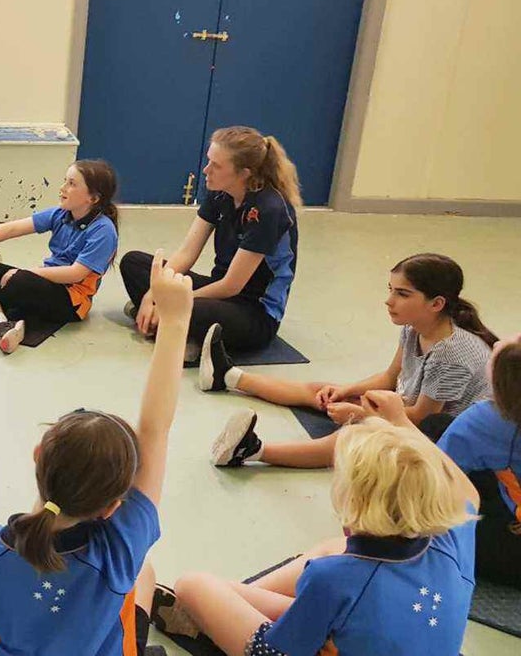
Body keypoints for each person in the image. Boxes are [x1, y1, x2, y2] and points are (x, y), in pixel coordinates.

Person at [0, 252, 193, 655]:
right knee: (144, 573)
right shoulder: (122, 546)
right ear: (111, 507)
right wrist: (175, 323)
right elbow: (155, 430)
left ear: (37, 456)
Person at [161, 393, 479, 656]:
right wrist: (401, 423)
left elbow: (283, 649)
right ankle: (228, 606)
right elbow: (467, 492)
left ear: (351, 500)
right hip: (396, 628)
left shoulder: (332, 578)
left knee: (192, 585)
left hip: (304, 637)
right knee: (333, 550)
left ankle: (210, 621)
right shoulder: (449, 539)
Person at [210, 253, 496, 470]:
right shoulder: (414, 328)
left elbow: (422, 419)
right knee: (323, 390)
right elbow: (389, 378)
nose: (389, 300)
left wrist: (362, 415)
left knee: (353, 436)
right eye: (391, 289)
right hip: (406, 408)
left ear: (437, 304)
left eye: (402, 294)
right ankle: (229, 376)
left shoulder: (451, 356)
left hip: (438, 437)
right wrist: (346, 391)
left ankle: (252, 451)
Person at [120, 126, 301, 361]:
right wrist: (154, 292)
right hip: (219, 293)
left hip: (253, 312)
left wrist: (170, 301)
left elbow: (232, 286)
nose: (206, 170)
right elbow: (186, 253)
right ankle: (173, 325)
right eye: (208, 161)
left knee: (189, 308)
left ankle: (176, 327)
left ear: (244, 173)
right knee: (135, 263)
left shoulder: (268, 210)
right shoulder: (219, 192)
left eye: (216, 166)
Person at [0, 160, 120, 354]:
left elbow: (75, 274)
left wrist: (25, 273)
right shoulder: (61, 214)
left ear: (93, 198)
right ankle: (0, 324)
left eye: (72, 184)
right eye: (65, 181)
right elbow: (12, 228)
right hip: (44, 282)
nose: (62, 188)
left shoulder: (103, 230)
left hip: (71, 301)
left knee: (20, 280)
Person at [438, 333, 521, 588]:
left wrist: (396, 422)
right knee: (437, 424)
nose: (495, 343)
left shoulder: (484, 420)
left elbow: (434, 476)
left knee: (445, 535)